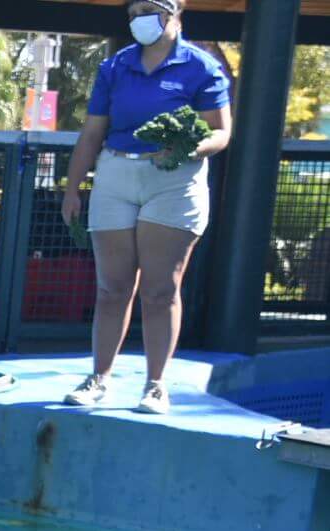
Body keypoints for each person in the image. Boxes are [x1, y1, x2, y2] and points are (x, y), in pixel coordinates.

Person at [61, 0, 232, 415]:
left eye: (151, 8)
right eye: (135, 9)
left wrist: (190, 146)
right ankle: (99, 377)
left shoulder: (201, 67)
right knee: (112, 288)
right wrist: (73, 187)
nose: (141, 17)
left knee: (160, 289)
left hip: (173, 182)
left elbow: (220, 132)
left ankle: (156, 386)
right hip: (117, 174)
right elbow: (92, 133)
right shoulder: (116, 67)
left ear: (175, 13)